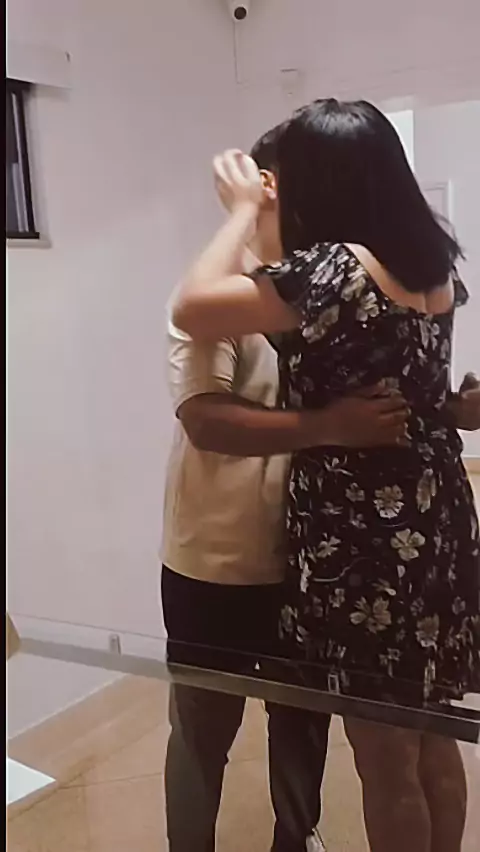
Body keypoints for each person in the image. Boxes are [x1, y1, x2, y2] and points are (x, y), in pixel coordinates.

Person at [171, 99, 480, 852]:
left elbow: (190, 306)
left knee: (385, 758)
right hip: (435, 519)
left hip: (365, 535)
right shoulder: (430, 268)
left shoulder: (333, 269)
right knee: (432, 735)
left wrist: (239, 211)